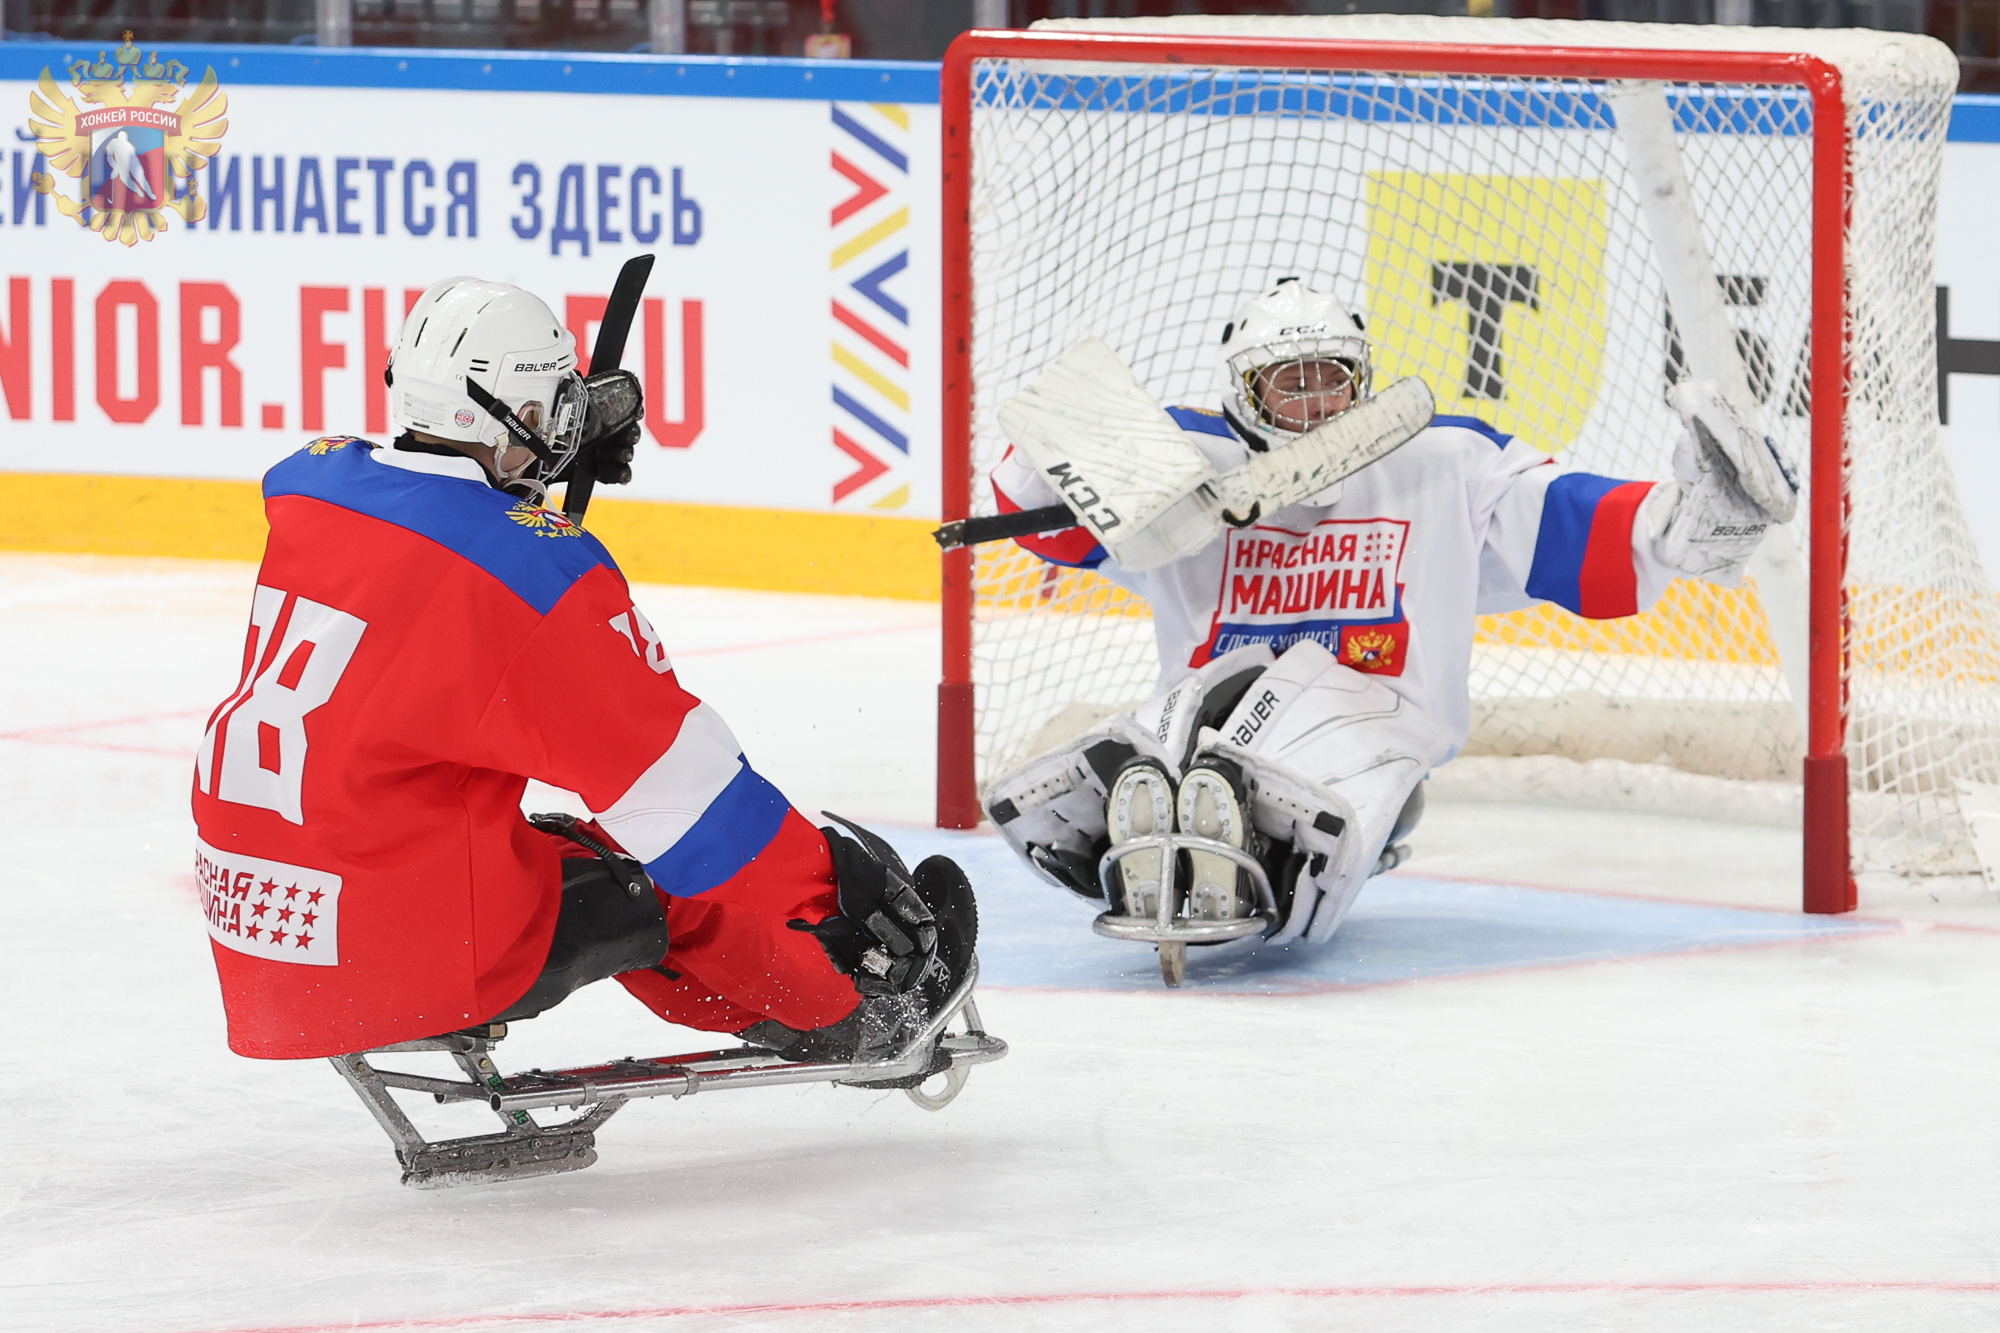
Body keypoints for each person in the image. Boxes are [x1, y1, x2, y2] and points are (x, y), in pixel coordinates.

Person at [191, 274, 975, 1072]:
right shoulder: (530, 574)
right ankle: (866, 1014)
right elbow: (687, 800)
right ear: (524, 414)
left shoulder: (312, 484)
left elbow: (444, 542)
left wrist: (524, 476)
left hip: (265, 924)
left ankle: (807, 1007)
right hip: (391, 948)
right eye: (554, 409)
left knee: (564, 854)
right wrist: (836, 891)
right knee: (665, 879)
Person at [982, 277, 1798, 956]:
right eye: (1289, 383)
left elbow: (1566, 521)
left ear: (1362, 379)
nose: (1316, 402)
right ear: (1244, 393)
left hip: (1372, 733)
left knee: (1304, 702)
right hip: (1206, 710)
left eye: (1331, 377)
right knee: (1170, 725)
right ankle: (1156, 812)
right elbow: (1033, 513)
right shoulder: (1189, 461)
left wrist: (1677, 522)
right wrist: (1112, 454)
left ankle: (1223, 835)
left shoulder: (1440, 461)